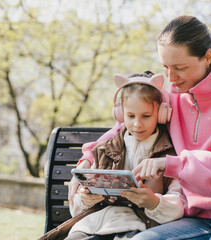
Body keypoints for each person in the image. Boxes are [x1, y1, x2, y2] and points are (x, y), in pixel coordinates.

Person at [69, 15, 211, 239]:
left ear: (208, 57)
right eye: (165, 67)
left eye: (180, 68)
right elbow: (122, 129)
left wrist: (173, 164)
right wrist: (88, 159)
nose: (171, 77)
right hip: (197, 214)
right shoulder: (170, 99)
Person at [65, 71, 185, 240]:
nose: (137, 124)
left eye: (146, 116)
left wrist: (154, 202)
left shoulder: (169, 155)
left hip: (137, 227)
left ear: (160, 113)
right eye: (130, 116)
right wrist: (85, 199)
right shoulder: (104, 150)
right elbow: (76, 210)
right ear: (120, 114)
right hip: (91, 225)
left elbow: (178, 204)